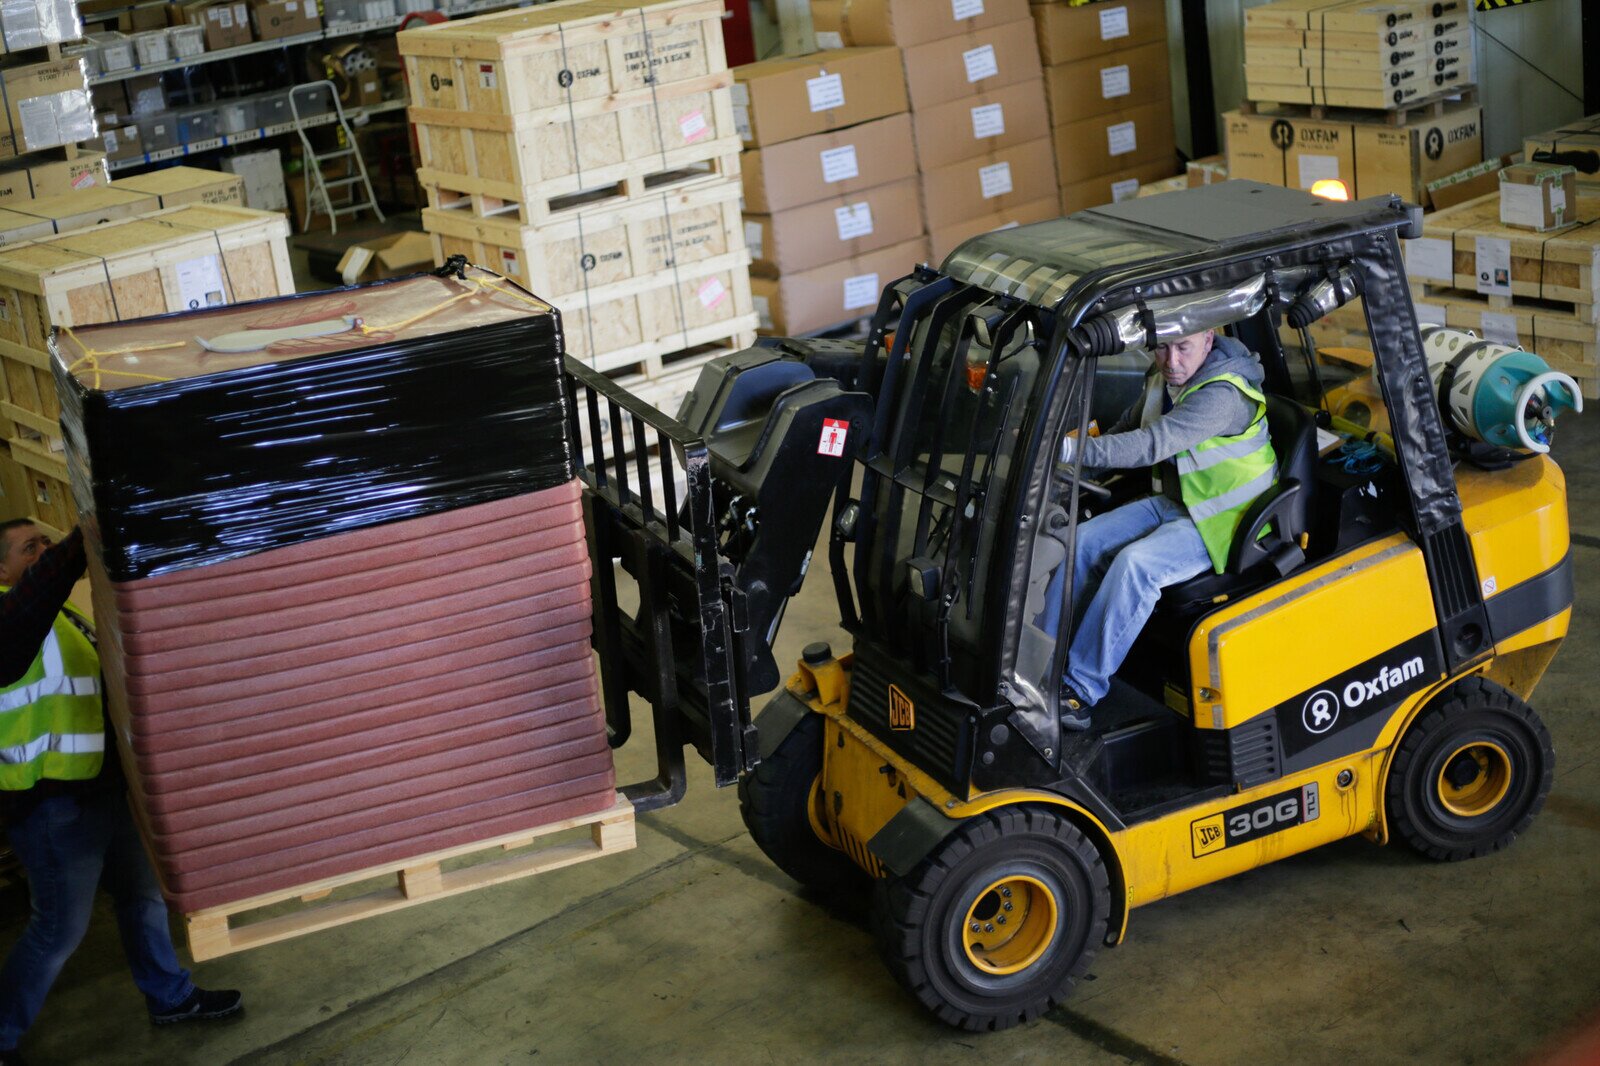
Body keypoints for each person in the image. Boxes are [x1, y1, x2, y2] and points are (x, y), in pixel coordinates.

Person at [0, 519, 242, 1064]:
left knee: (143, 896)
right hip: (52, 806)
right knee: (58, 932)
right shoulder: (12, 618)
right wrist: (79, 539)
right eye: (28, 547)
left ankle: (170, 998)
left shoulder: (68, 618)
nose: (41, 551)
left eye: (45, 540)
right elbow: (25, 612)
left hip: (108, 792)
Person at [1040, 329, 1277, 730]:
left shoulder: (1223, 395)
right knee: (1080, 543)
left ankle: (1080, 689)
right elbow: (1126, 429)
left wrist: (1062, 450)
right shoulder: (1162, 378)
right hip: (1175, 500)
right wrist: (1066, 473)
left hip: (1224, 520)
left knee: (1136, 566)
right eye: (1162, 346)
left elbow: (1151, 444)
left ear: (1208, 339)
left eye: (1183, 347)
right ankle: (1038, 664)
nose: (1170, 360)